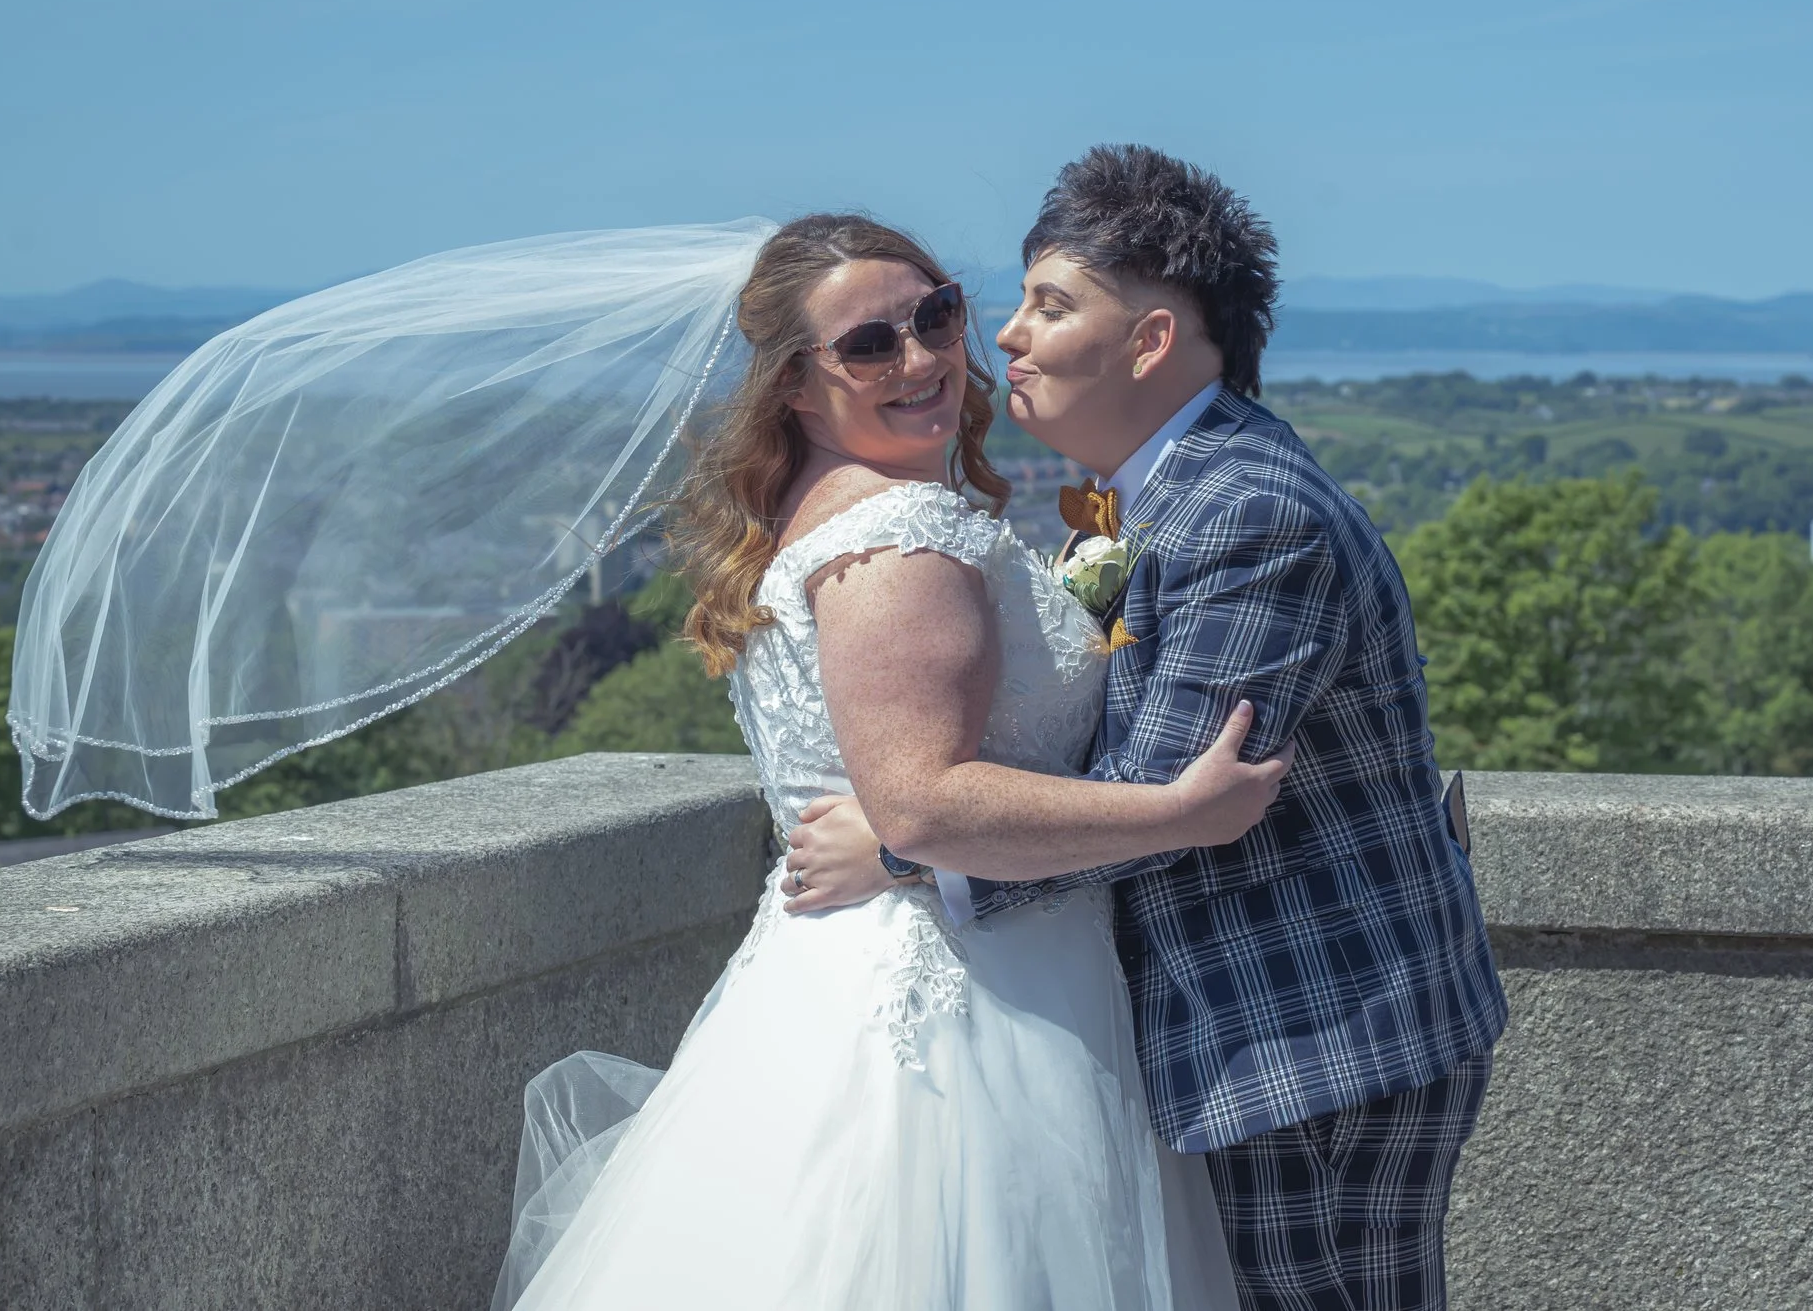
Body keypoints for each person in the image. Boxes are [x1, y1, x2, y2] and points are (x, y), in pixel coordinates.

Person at [494, 212, 1281, 1310]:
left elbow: (907, 796)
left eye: (937, 314)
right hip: (961, 1014)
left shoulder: (833, 509)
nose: (921, 356)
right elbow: (922, 803)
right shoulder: (902, 533)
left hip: (874, 972)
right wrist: (1179, 812)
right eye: (869, 344)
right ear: (795, 387)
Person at [788, 147, 1508, 1310]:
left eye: (1050, 303)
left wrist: (901, 843)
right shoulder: (1130, 497)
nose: (1002, 338)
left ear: (1152, 341)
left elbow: (1169, 798)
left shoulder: (1247, 512)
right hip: (1260, 1033)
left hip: (1312, 1042)